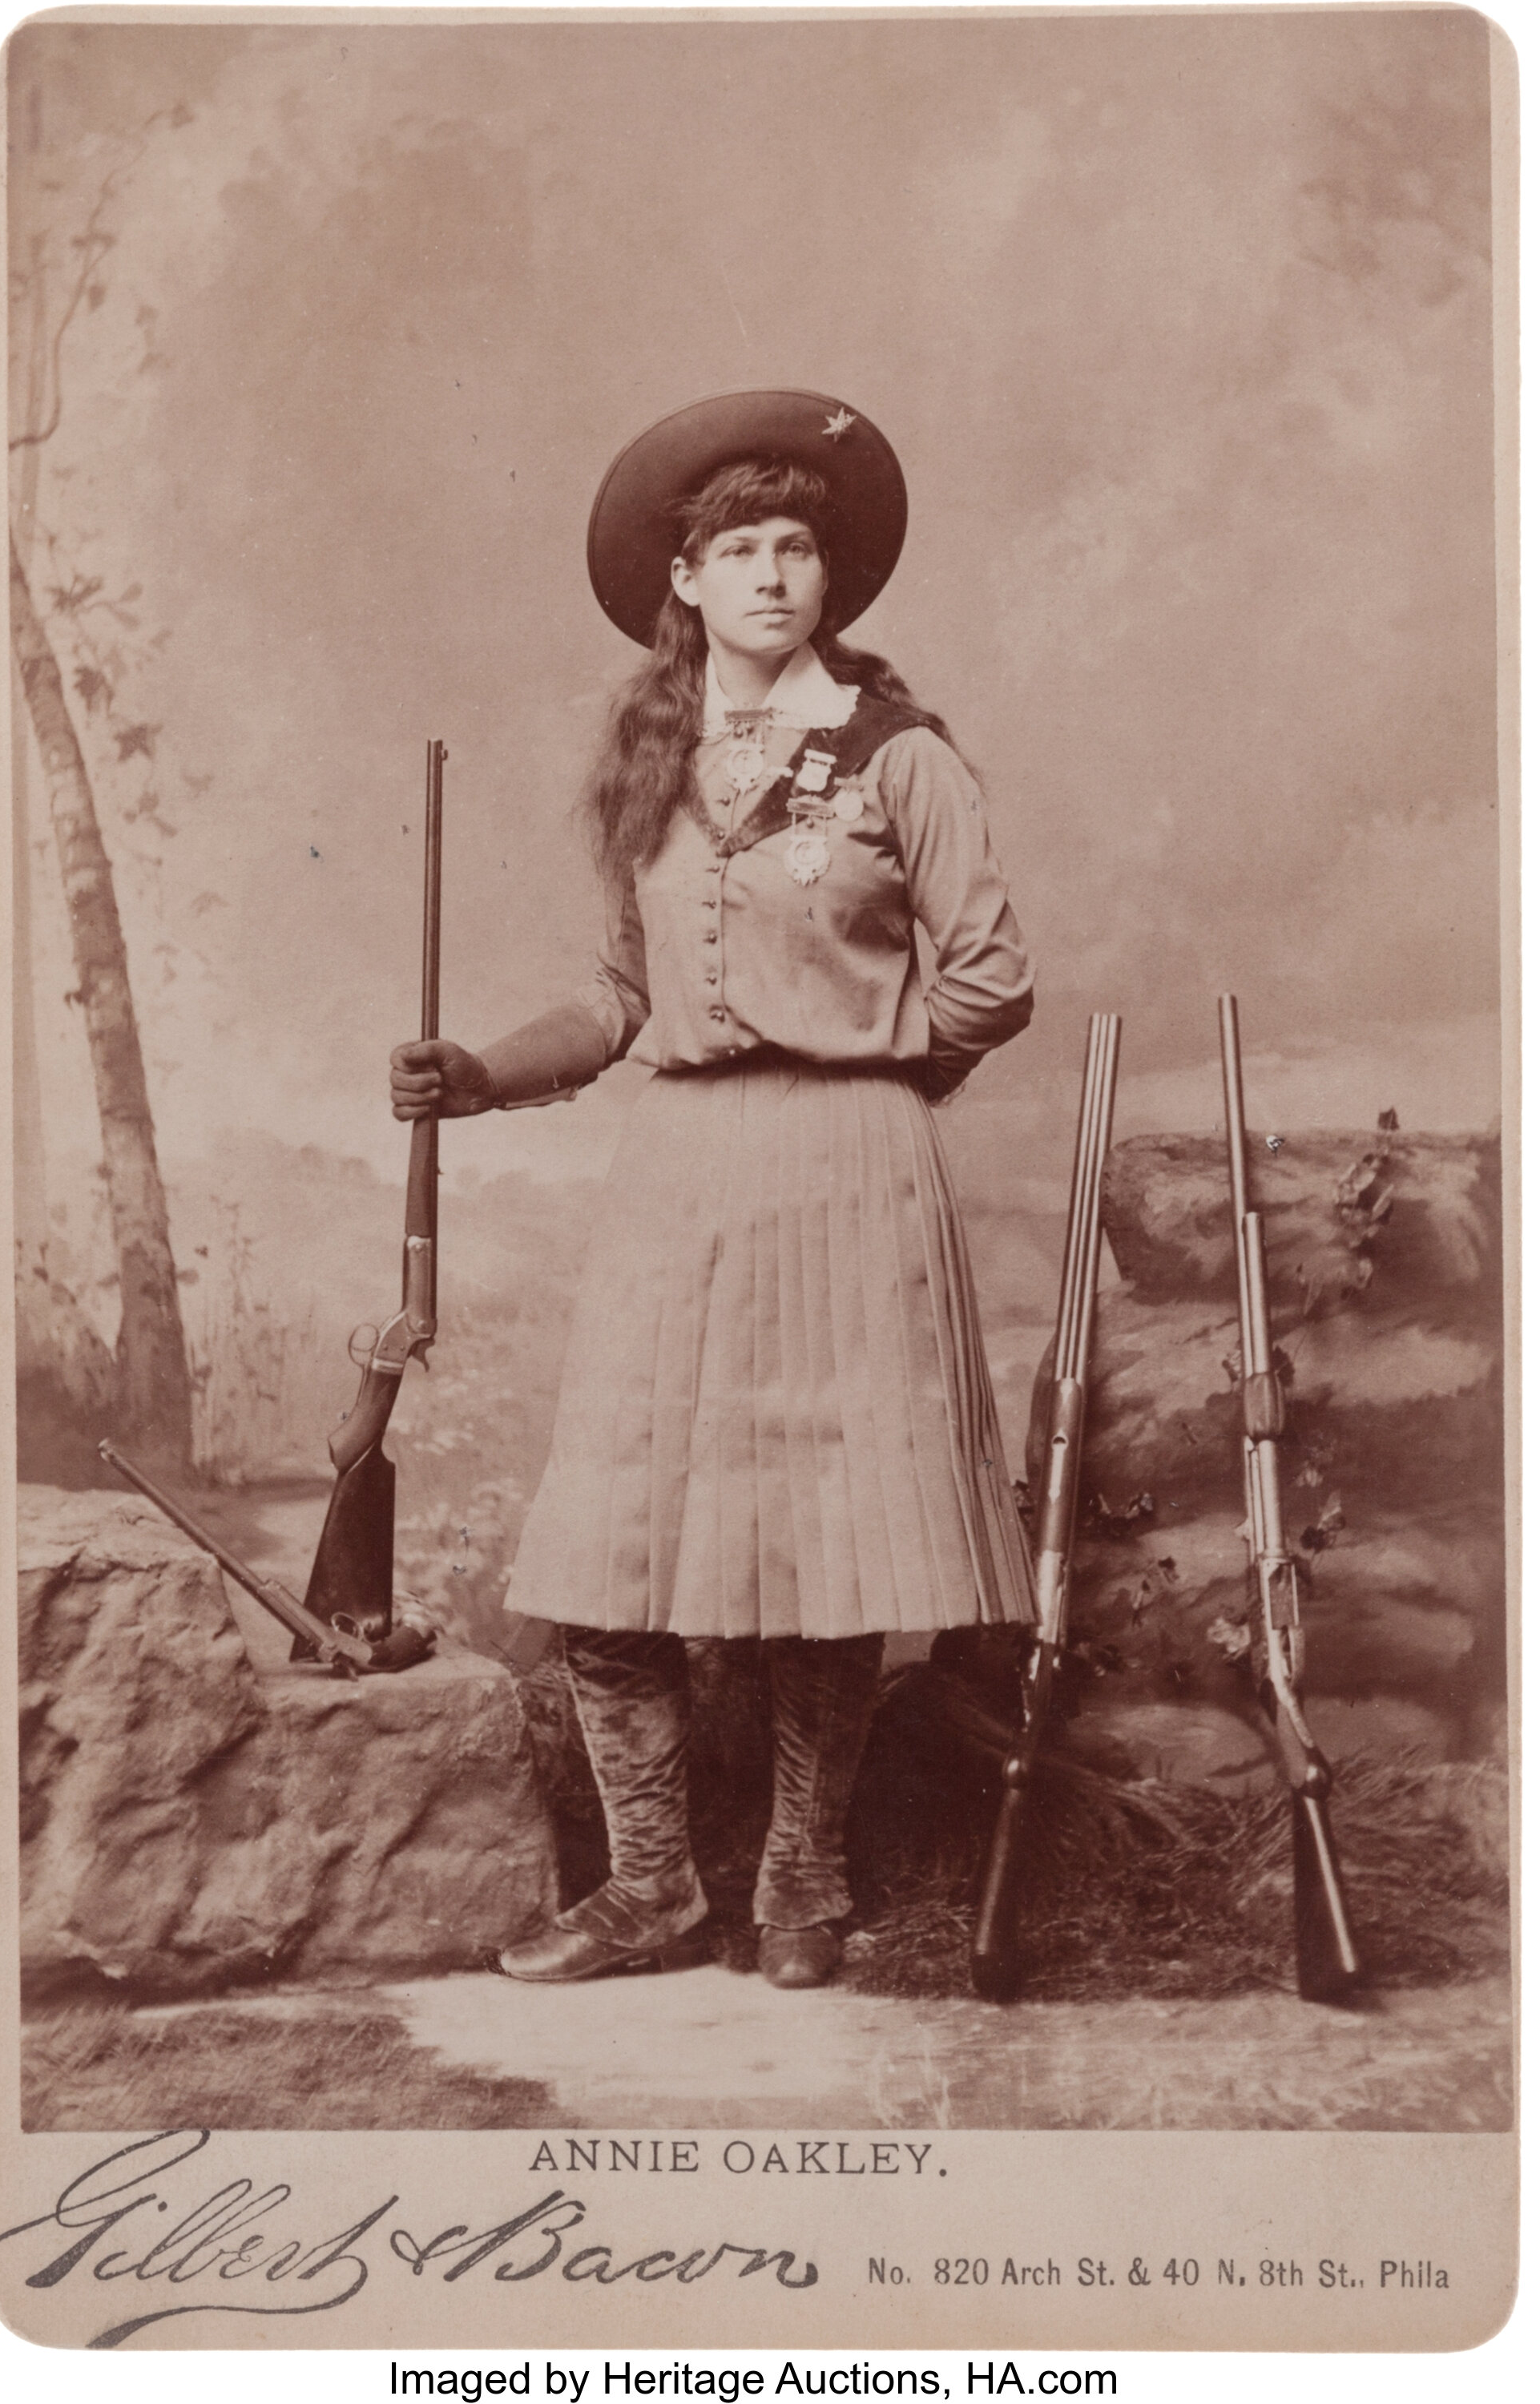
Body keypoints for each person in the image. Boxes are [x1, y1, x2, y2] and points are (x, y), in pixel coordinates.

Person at [391, 389, 1037, 1991]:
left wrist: (874, 1076)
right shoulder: (652, 765)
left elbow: (993, 975)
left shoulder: (900, 758)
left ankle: (803, 1883)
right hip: (679, 1187)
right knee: (609, 1560)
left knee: (827, 1563)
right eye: (737, 549)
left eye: (795, 548)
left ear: (829, 578)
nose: (770, 576)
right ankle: (654, 1886)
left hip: (848, 1185)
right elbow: (617, 996)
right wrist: (482, 1070)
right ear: (682, 582)